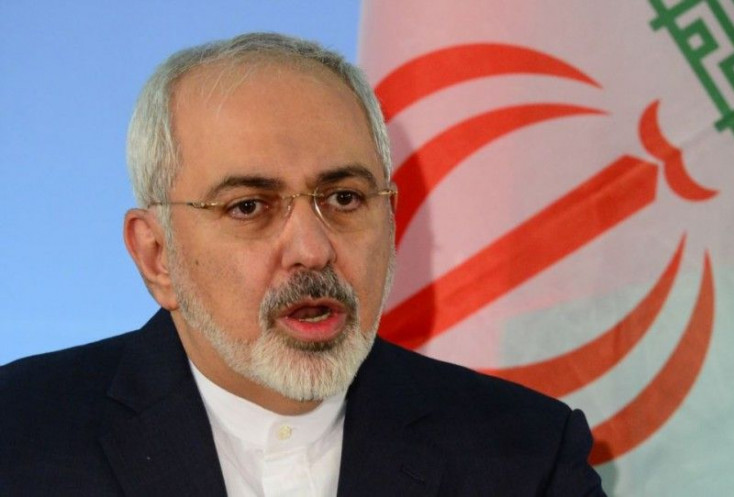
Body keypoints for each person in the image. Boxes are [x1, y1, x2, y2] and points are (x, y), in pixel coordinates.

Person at [0, 32, 606, 496]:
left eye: (343, 198)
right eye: (249, 207)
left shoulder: (526, 455)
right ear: (157, 256)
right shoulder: (18, 437)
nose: (313, 250)